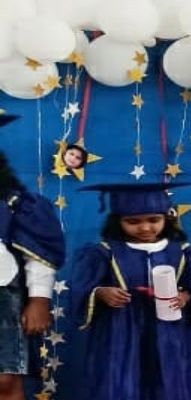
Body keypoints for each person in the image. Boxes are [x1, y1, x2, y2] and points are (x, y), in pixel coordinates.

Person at [70, 182, 191, 400]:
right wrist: (101, 292)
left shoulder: (184, 252)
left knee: (169, 381)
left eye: (154, 220)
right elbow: (82, 288)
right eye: (133, 221)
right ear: (118, 221)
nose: (145, 228)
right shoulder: (104, 252)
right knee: (120, 381)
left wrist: (185, 296)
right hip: (120, 328)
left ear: (166, 217)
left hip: (171, 330)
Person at [0, 112, 66, 400]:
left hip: (3, 294)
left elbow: (38, 252)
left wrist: (39, 299)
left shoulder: (14, 203)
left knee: (5, 379)